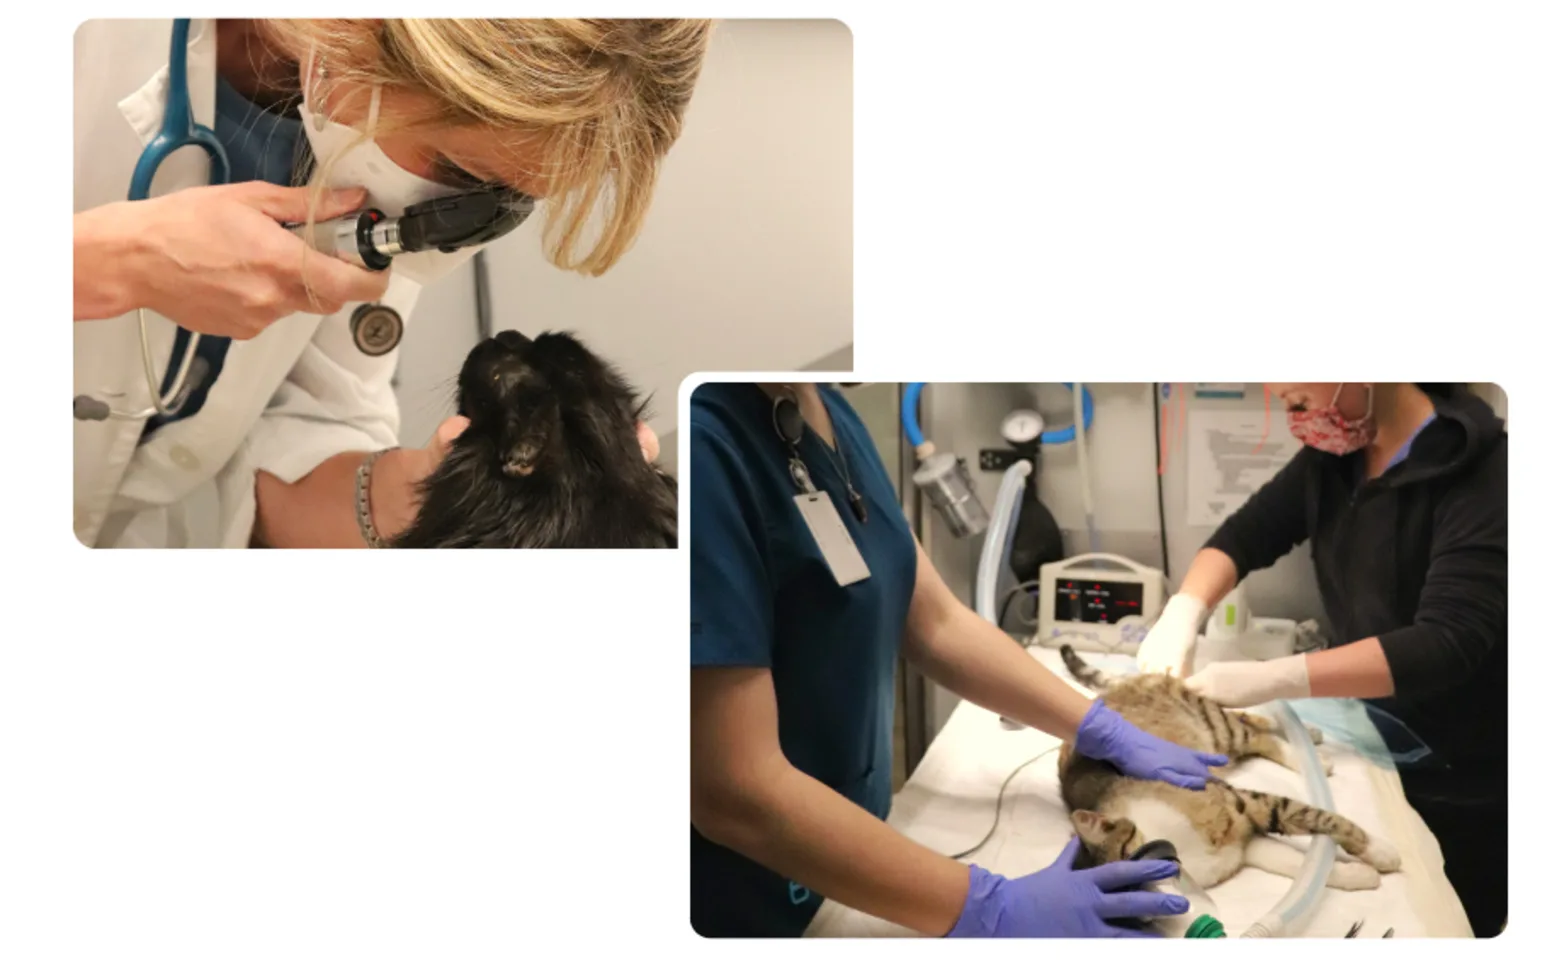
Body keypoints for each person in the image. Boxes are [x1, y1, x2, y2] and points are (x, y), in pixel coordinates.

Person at [73, 18, 710, 547]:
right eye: (460, 171)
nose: (463, 225)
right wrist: (105, 264)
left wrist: (435, 491)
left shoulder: (364, 159)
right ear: (354, 28)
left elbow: (302, 431)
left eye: (515, 199)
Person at [688, 382, 1232, 938]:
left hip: (868, 856)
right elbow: (733, 790)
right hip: (760, 894)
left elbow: (933, 621)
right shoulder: (707, 447)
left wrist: (1095, 725)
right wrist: (991, 909)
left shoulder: (828, 408)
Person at [1136, 382, 1506, 937]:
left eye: (1292, 383)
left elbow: (1449, 640)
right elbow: (1245, 535)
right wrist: (1184, 611)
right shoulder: (1336, 457)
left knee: (1444, 914)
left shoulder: (1485, 471)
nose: (1278, 395)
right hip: (1373, 725)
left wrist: (1276, 677)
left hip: (1458, 765)